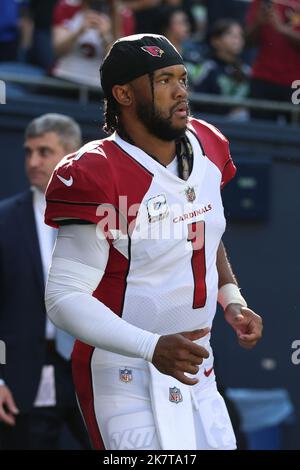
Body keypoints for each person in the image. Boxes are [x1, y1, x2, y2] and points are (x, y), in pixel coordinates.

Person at [45, 34, 263, 450]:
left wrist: (230, 297)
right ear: (123, 93)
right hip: (123, 371)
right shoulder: (95, 170)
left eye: (182, 78)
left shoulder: (209, 144)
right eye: (163, 80)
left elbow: (202, 229)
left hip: (198, 363)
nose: (181, 90)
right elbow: (63, 297)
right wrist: (151, 346)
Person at [0, 114, 89, 449]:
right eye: (28, 152)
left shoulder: (102, 217)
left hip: (93, 367)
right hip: (25, 372)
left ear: (71, 155)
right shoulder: (5, 220)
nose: (33, 161)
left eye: (44, 152)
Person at [246, 0, 300, 120]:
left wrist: (282, 29)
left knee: (296, 133)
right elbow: (247, 42)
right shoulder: (261, 2)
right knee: (259, 131)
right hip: (263, 78)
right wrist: (258, 23)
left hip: (296, 82)